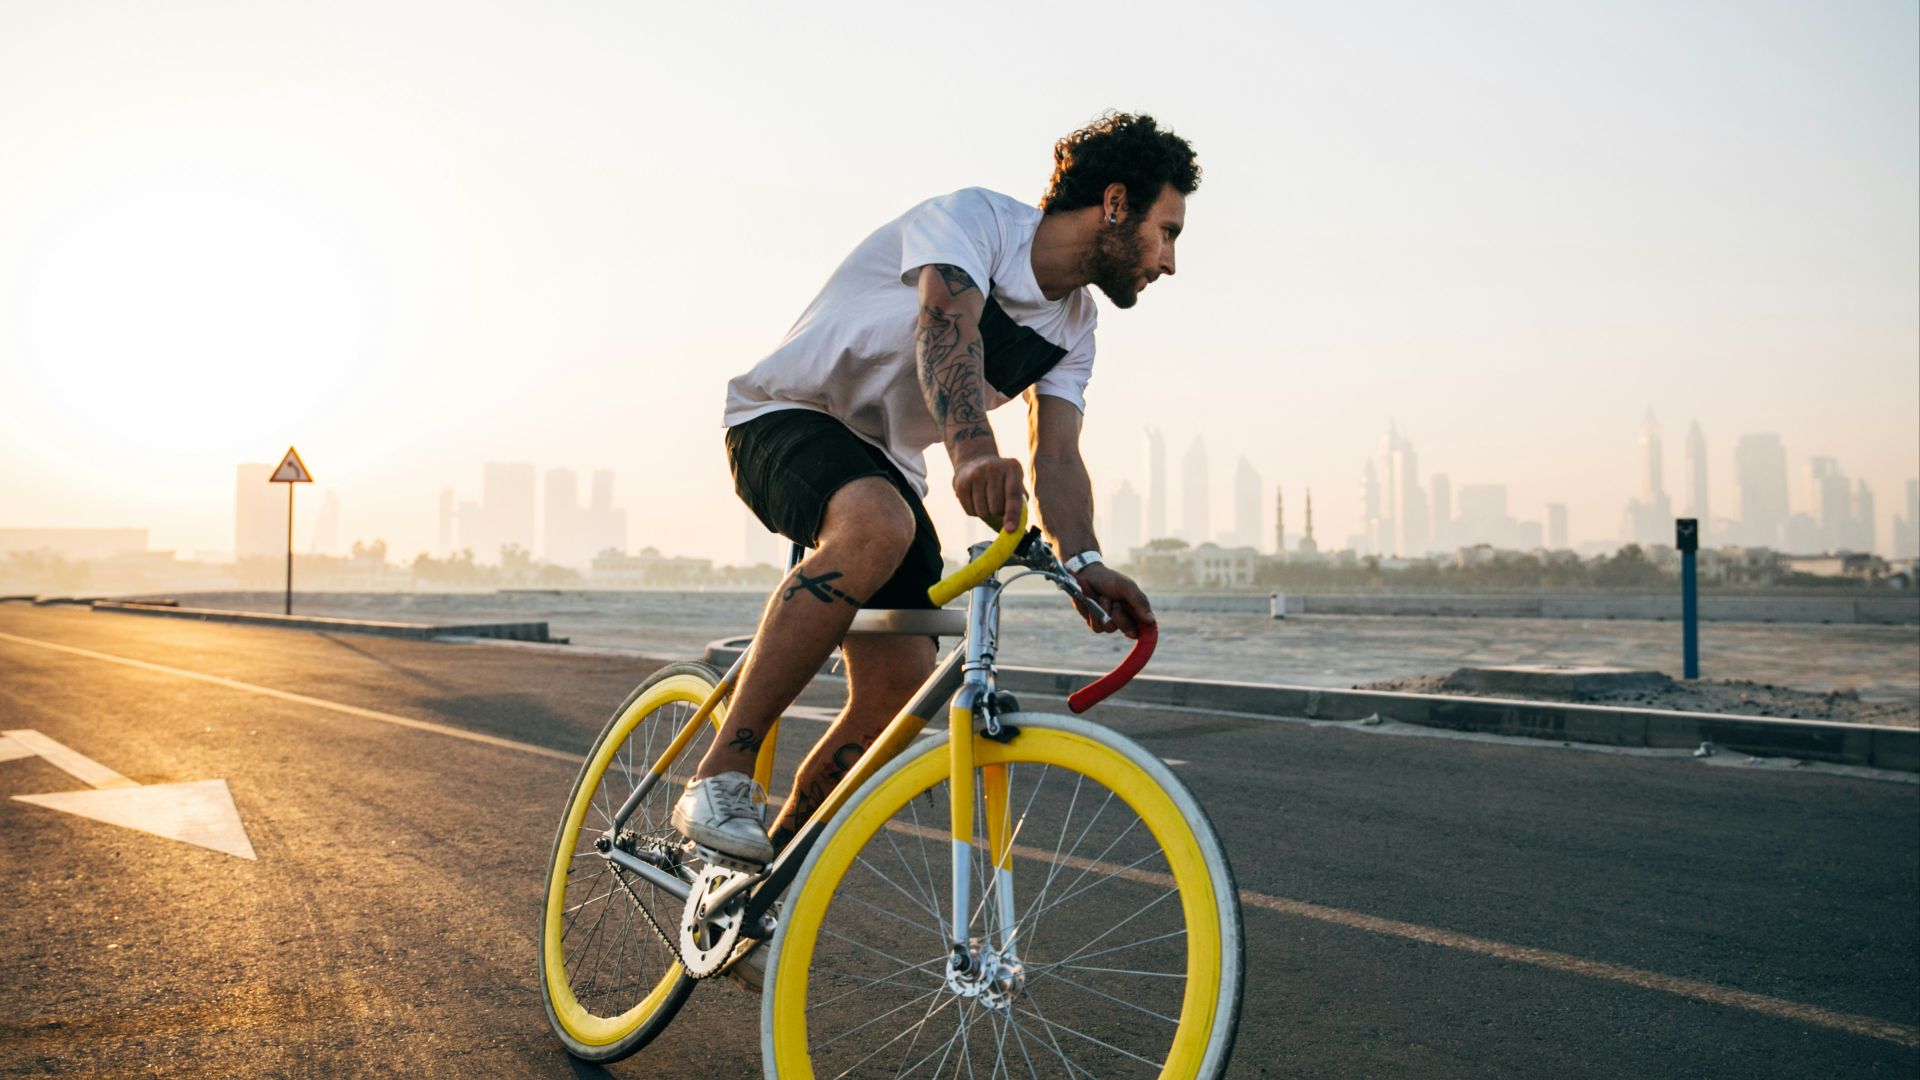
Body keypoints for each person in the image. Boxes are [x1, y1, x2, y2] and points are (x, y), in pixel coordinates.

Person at [672, 111, 1199, 865]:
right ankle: (719, 778)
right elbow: (945, 326)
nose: (1169, 262)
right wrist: (973, 453)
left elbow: (1056, 457)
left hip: (886, 467)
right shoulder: (978, 221)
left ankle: (762, 882)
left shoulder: (1076, 327)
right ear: (1116, 204)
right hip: (782, 417)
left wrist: (1084, 563)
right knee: (879, 525)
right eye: (1167, 232)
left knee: (902, 693)